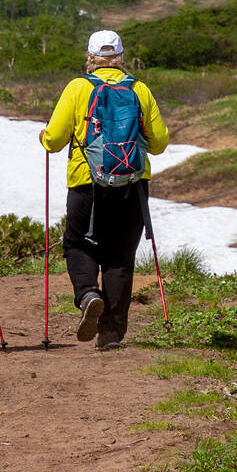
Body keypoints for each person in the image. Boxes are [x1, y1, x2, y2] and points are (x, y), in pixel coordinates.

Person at [40, 30, 169, 351]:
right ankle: (110, 335)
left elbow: (54, 141)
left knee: (77, 243)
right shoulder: (139, 89)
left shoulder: (78, 87)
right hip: (133, 184)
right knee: (120, 257)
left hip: (87, 181)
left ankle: (87, 294)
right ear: (121, 57)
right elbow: (160, 143)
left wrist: (44, 137)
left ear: (90, 57)